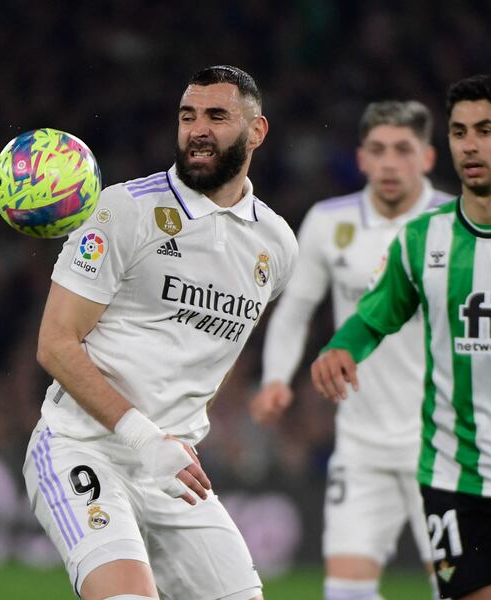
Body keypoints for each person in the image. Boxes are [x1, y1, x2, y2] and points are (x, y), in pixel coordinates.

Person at [23, 65, 298, 600]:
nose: (197, 129)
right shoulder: (126, 209)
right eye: (187, 115)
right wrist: (144, 436)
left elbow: (208, 357)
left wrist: (173, 436)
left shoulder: (277, 248)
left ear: (257, 131)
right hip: (83, 449)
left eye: (216, 116)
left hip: (175, 470)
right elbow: (55, 344)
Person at [312, 74, 491, 600]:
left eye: (484, 130)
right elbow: (375, 316)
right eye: (458, 132)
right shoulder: (421, 237)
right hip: (459, 480)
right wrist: (342, 347)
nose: (470, 145)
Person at [252, 101, 452, 600]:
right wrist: (277, 378)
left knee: (457, 590)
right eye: (378, 150)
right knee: (344, 593)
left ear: (427, 158)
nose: (389, 163)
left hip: (444, 446)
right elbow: (294, 310)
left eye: (403, 150)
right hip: (360, 446)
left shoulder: (453, 222)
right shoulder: (328, 221)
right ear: (361, 159)